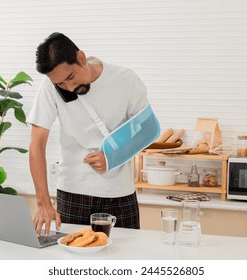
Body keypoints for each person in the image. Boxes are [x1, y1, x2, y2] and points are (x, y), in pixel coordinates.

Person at [27, 32, 154, 236]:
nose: (70, 88)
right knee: (69, 260)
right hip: (72, 193)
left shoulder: (126, 79)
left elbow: (148, 129)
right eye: (61, 85)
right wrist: (43, 202)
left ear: (81, 58)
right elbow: (36, 145)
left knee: (128, 258)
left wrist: (112, 156)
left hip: (119, 194)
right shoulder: (50, 86)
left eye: (70, 77)